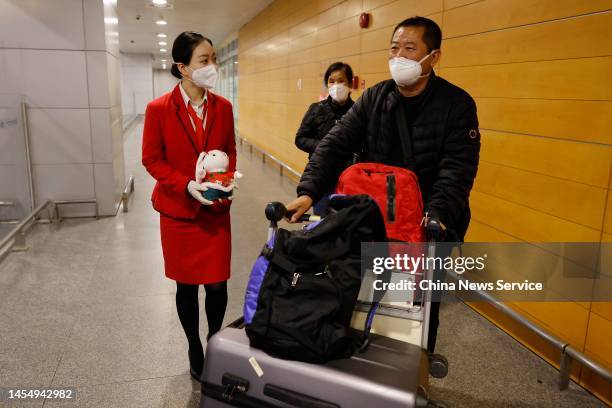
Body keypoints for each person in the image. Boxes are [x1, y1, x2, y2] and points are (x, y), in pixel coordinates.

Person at [285, 16, 480, 356]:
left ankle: (414, 371)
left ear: (433, 57)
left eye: (409, 48)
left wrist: (437, 213)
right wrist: (308, 191)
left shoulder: (456, 104)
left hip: (429, 225)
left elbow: (457, 169)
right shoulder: (375, 98)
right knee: (365, 292)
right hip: (377, 220)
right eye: (394, 48)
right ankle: (364, 367)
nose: (399, 56)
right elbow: (334, 145)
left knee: (421, 305)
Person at [141, 31, 236, 382]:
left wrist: (224, 183)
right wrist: (186, 184)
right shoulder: (159, 110)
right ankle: (194, 345)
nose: (213, 66)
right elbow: (151, 158)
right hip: (179, 211)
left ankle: (214, 340)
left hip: (214, 211)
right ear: (183, 68)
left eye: (214, 59)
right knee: (186, 286)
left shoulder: (223, 108)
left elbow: (229, 148)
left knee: (217, 284)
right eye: (204, 60)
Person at [295, 62, 355, 214]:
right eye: (331, 81)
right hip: (322, 177)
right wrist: (324, 146)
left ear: (350, 83)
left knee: (346, 224)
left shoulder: (358, 111)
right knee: (321, 224)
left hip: (349, 180)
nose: (336, 85)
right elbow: (300, 138)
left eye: (341, 81)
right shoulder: (316, 109)